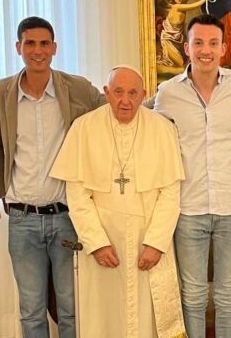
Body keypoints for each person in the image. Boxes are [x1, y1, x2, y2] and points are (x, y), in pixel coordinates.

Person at [0, 16, 104, 338]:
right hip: (22, 218)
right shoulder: (1, 93)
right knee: (31, 310)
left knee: (71, 307)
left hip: (67, 215)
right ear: (18, 48)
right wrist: (3, 191)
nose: (37, 51)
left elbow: (114, 114)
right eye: (30, 44)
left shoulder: (78, 88)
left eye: (44, 44)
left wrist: (157, 105)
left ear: (54, 48)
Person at [50, 66, 186, 337]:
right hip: (104, 240)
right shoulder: (84, 127)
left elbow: (171, 193)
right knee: (104, 318)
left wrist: (156, 243)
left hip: (147, 238)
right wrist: (97, 243)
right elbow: (76, 194)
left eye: (133, 93)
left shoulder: (162, 128)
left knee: (148, 318)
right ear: (106, 92)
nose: (125, 101)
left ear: (143, 94)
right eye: (118, 92)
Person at [154, 13, 231, 338]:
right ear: (187, 48)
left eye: (213, 43)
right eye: (199, 43)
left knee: (227, 294)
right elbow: (141, 125)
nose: (206, 50)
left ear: (224, 47)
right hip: (188, 209)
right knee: (192, 295)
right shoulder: (167, 93)